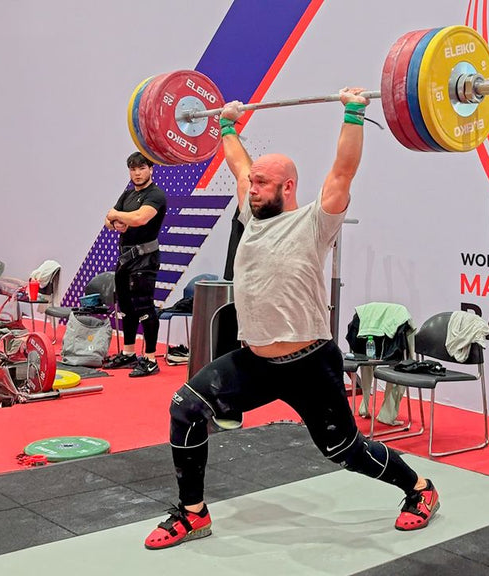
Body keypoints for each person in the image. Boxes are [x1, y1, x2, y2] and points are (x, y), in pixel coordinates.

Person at [144, 89, 439, 550]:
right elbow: (239, 165)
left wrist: (354, 112)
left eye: (262, 183)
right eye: (253, 182)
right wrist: (226, 125)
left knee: (345, 451)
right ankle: (193, 514)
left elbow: (342, 172)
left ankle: (419, 489)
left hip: (309, 363)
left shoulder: (315, 223)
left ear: (287, 188)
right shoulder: (250, 214)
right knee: (185, 409)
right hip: (255, 362)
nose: (251, 186)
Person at [102, 152, 167, 377]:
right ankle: (129, 354)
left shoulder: (156, 195)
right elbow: (108, 220)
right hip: (124, 259)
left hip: (145, 259)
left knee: (145, 309)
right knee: (127, 309)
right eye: (133, 169)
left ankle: (150, 358)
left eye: (141, 168)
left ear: (151, 169)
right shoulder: (127, 194)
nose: (137, 173)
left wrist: (118, 216)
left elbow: (140, 218)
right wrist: (116, 222)